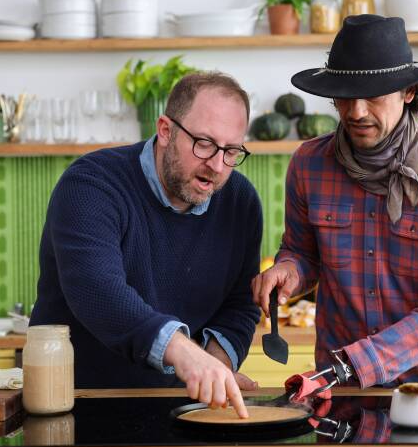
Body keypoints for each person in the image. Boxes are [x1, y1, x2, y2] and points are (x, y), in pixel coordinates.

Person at [252, 14, 418, 389]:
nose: (357, 112)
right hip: (341, 393)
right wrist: (290, 271)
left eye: (374, 95)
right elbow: (303, 252)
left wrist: (351, 365)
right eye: (346, 96)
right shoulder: (309, 164)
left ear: (409, 91)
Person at [31, 72, 263, 418]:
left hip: (183, 410)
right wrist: (185, 354)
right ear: (166, 130)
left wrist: (213, 368)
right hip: (75, 404)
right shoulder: (90, 184)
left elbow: (240, 304)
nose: (216, 165)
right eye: (204, 143)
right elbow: (96, 289)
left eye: (231, 151)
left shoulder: (240, 200)